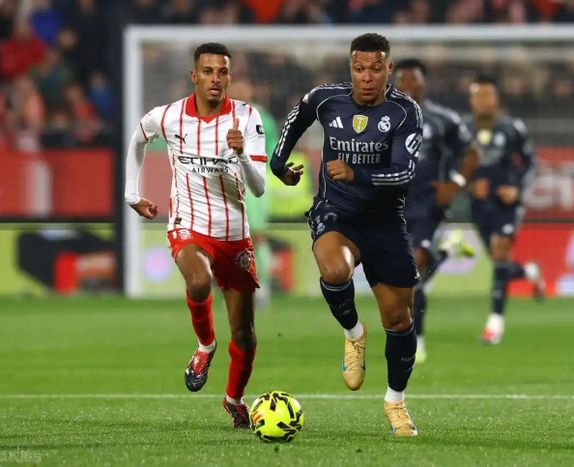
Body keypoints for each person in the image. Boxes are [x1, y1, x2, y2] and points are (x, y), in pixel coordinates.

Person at [271, 33, 422, 437]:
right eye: (359, 68)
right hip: (337, 211)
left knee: (400, 319)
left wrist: (358, 174)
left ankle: (395, 401)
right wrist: (278, 164)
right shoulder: (326, 99)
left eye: (375, 68)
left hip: (385, 220)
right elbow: (297, 117)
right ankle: (354, 333)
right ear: (350, 69)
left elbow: (405, 173)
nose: (367, 77)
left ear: (389, 69)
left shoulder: (405, 111)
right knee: (335, 270)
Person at [124, 43, 267, 428]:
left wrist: (240, 155)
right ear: (194, 76)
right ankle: (205, 345)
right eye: (207, 71)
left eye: (222, 72)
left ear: (230, 77)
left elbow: (258, 188)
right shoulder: (168, 116)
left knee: (246, 334)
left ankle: (233, 399)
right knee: (199, 280)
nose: (215, 79)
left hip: (234, 235)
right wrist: (131, 194)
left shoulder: (247, 117)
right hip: (189, 224)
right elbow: (137, 139)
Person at [394, 58, 480, 363]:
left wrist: (455, 184)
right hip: (391, 203)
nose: (408, 86)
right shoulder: (382, 117)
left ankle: (416, 340)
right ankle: (447, 250)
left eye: (413, 80)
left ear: (424, 83)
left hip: (427, 204)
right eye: (402, 80)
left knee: (414, 267)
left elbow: (472, 153)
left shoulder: (443, 120)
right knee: (401, 275)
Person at [465, 74, 544, 345]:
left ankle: (494, 324)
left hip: (506, 204)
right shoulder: (463, 130)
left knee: (500, 254)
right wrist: (470, 186)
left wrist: (517, 189)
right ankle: (530, 272)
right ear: (471, 100)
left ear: (497, 99)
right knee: (500, 263)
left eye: (487, 95)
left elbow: (531, 162)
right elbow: (452, 167)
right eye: (478, 96)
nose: (483, 101)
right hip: (479, 206)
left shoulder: (511, 128)